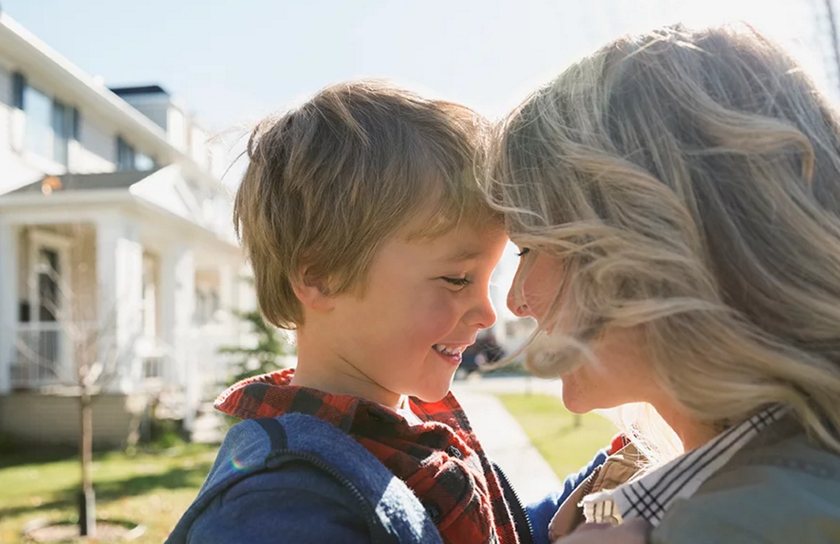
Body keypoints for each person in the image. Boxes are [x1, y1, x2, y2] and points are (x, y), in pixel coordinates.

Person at [165, 80, 604, 544]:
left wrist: (617, 467)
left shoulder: (405, 425)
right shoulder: (275, 510)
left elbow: (494, 533)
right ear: (322, 276)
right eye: (457, 279)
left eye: (487, 279)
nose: (487, 313)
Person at [485, 24, 840, 544]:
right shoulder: (653, 478)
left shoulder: (741, 524)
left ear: (648, 245)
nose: (514, 299)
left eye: (529, 249)